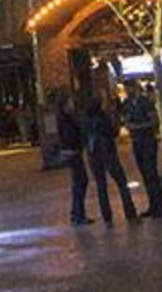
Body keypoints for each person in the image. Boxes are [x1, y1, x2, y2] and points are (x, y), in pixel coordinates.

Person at [83, 96, 139, 225]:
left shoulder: (86, 121)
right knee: (121, 183)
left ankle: (107, 218)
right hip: (108, 153)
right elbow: (114, 132)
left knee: (101, 187)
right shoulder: (103, 118)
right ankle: (130, 213)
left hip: (94, 156)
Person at [121, 84, 162, 218]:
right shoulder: (126, 103)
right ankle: (154, 205)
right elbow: (127, 122)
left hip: (148, 141)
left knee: (151, 172)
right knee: (145, 174)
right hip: (137, 142)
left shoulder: (145, 102)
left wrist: (138, 127)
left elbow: (154, 120)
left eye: (129, 87)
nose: (127, 90)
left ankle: (160, 205)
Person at [54, 92, 92, 225]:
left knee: (79, 182)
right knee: (80, 181)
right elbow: (69, 136)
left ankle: (78, 213)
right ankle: (77, 214)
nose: (72, 104)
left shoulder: (67, 118)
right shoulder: (65, 119)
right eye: (70, 102)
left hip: (74, 152)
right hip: (73, 152)